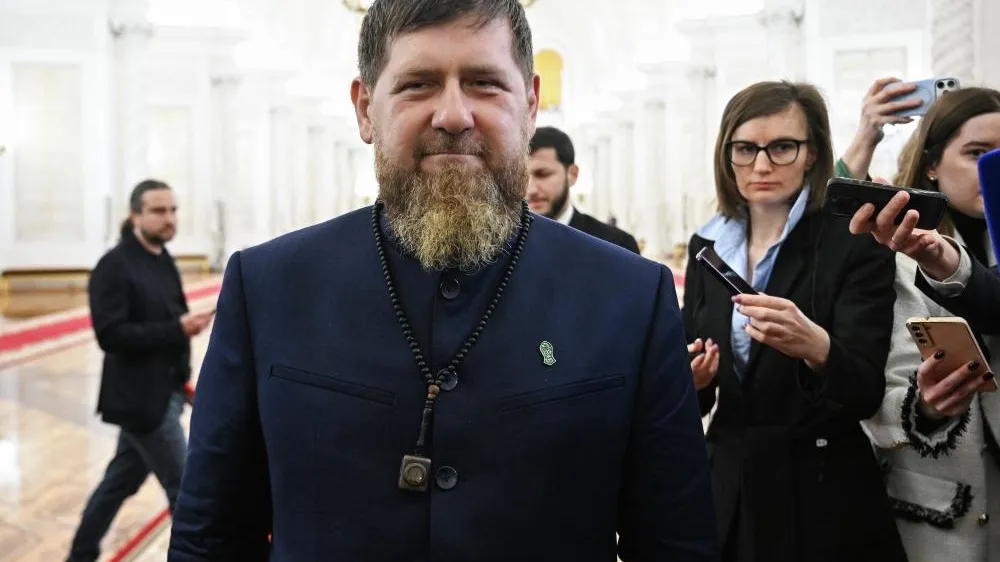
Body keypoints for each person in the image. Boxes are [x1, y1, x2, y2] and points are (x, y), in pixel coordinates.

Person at [167, 1, 718, 560]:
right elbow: (211, 539)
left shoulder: (629, 298)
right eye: (418, 84)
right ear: (365, 109)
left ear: (530, 105)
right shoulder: (269, 289)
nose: (453, 116)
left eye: (484, 83)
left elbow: (676, 544)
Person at [682, 80, 906, 561]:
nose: (762, 165)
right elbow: (697, 389)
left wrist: (817, 348)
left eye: (783, 147)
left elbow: (865, 391)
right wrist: (692, 379)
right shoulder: (707, 244)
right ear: (727, 156)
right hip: (729, 487)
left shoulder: (853, 241)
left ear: (813, 153)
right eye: (745, 149)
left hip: (821, 491)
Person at [851, 87, 1000, 561]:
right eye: (976, 153)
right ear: (932, 163)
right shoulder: (893, 257)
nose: (993, 169)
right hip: (941, 511)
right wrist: (927, 407)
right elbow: (872, 397)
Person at [66, 180, 213, 562]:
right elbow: (110, 335)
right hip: (142, 402)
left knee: (118, 484)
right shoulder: (114, 266)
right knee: (187, 489)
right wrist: (177, 329)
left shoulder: (162, 258)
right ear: (135, 215)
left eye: (173, 210)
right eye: (159, 211)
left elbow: (168, 319)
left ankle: (80, 555)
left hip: (166, 392)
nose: (169, 218)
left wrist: (182, 378)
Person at [528, 126, 641, 253]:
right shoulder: (510, 242)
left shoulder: (617, 245)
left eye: (543, 174)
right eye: (522, 177)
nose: (530, 190)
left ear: (572, 174)